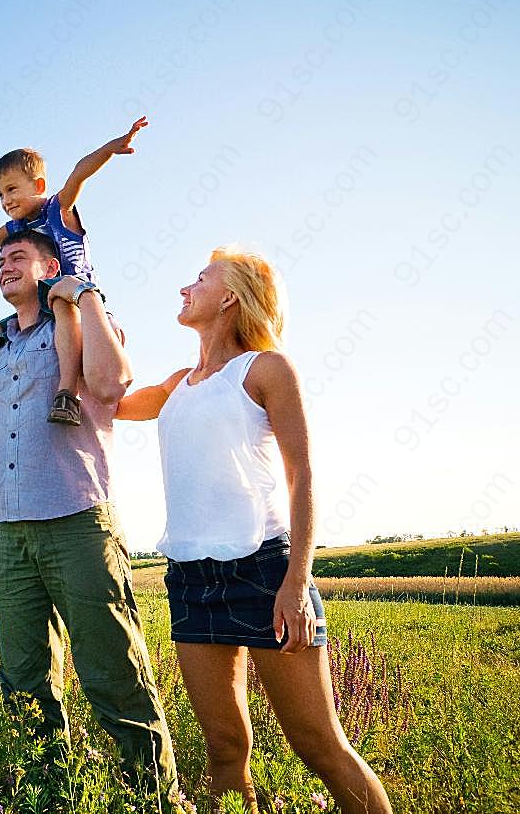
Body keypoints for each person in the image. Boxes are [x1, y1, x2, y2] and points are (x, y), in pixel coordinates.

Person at [116, 246, 393, 813]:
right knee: (223, 749)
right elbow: (108, 402)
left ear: (230, 298)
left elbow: (304, 474)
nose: (183, 288)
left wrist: (296, 583)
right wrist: (79, 308)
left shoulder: (266, 369)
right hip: (190, 577)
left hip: (266, 571)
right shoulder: (177, 385)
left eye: (198, 279)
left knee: (318, 745)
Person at [0, 229, 179, 803]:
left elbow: (114, 384)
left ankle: (153, 797)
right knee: (22, 677)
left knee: (112, 670)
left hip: (78, 521)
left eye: (16, 257)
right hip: (12, 530)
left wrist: (83, 294)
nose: (3, 266)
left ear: (49, 266)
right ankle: (47, 790)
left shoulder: (79, 324)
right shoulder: (1, 347)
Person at [0, 116, 149, 450]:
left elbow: (79, 172)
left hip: (74, 300)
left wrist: (111, 147)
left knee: (59, 300)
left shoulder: (57, 209)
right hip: (37, 311)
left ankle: (66, 393)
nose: (6, 200)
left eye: (12, 189)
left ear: (37, 186)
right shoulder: (14, 230)